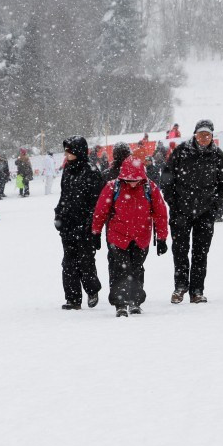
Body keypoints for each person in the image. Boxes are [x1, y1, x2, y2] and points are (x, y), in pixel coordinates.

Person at [161, 119, 223, 304]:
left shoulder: (217, 155)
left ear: (212, 136)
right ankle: (180, 287)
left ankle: (197, 291)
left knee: (201, 253)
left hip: (205, 213)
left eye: (207, 135)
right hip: (180, 212)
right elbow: (166, 178)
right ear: (195, 134)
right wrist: (173, 204)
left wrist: (216, 208)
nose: (204, 138)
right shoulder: (181, 152)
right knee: (180, 251)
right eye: (201, 134)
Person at [90, 157, 169, 317]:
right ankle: (120, 303)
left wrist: (162, 238)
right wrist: (96, 233)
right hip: (117, 236)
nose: (133, 183)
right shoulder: (113, 187)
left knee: (136, 268)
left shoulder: (150, 187)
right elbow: (100, 211)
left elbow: (160, 213)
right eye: (129, 180)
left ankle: (135, 301)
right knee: (119, 269)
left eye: (136, 180)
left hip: (141, 237)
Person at [54, 135, 104, 310]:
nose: (67, 154)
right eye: (66, 151)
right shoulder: (67, 170)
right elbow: (64, 196)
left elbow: (97, 203)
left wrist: (90, 225)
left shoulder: (91, 171)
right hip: (68, 225)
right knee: (68, 263)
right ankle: (73, 299)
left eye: (70, 151)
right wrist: (58, 214)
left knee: (86, 261)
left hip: (85, 226)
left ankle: (92, 290)